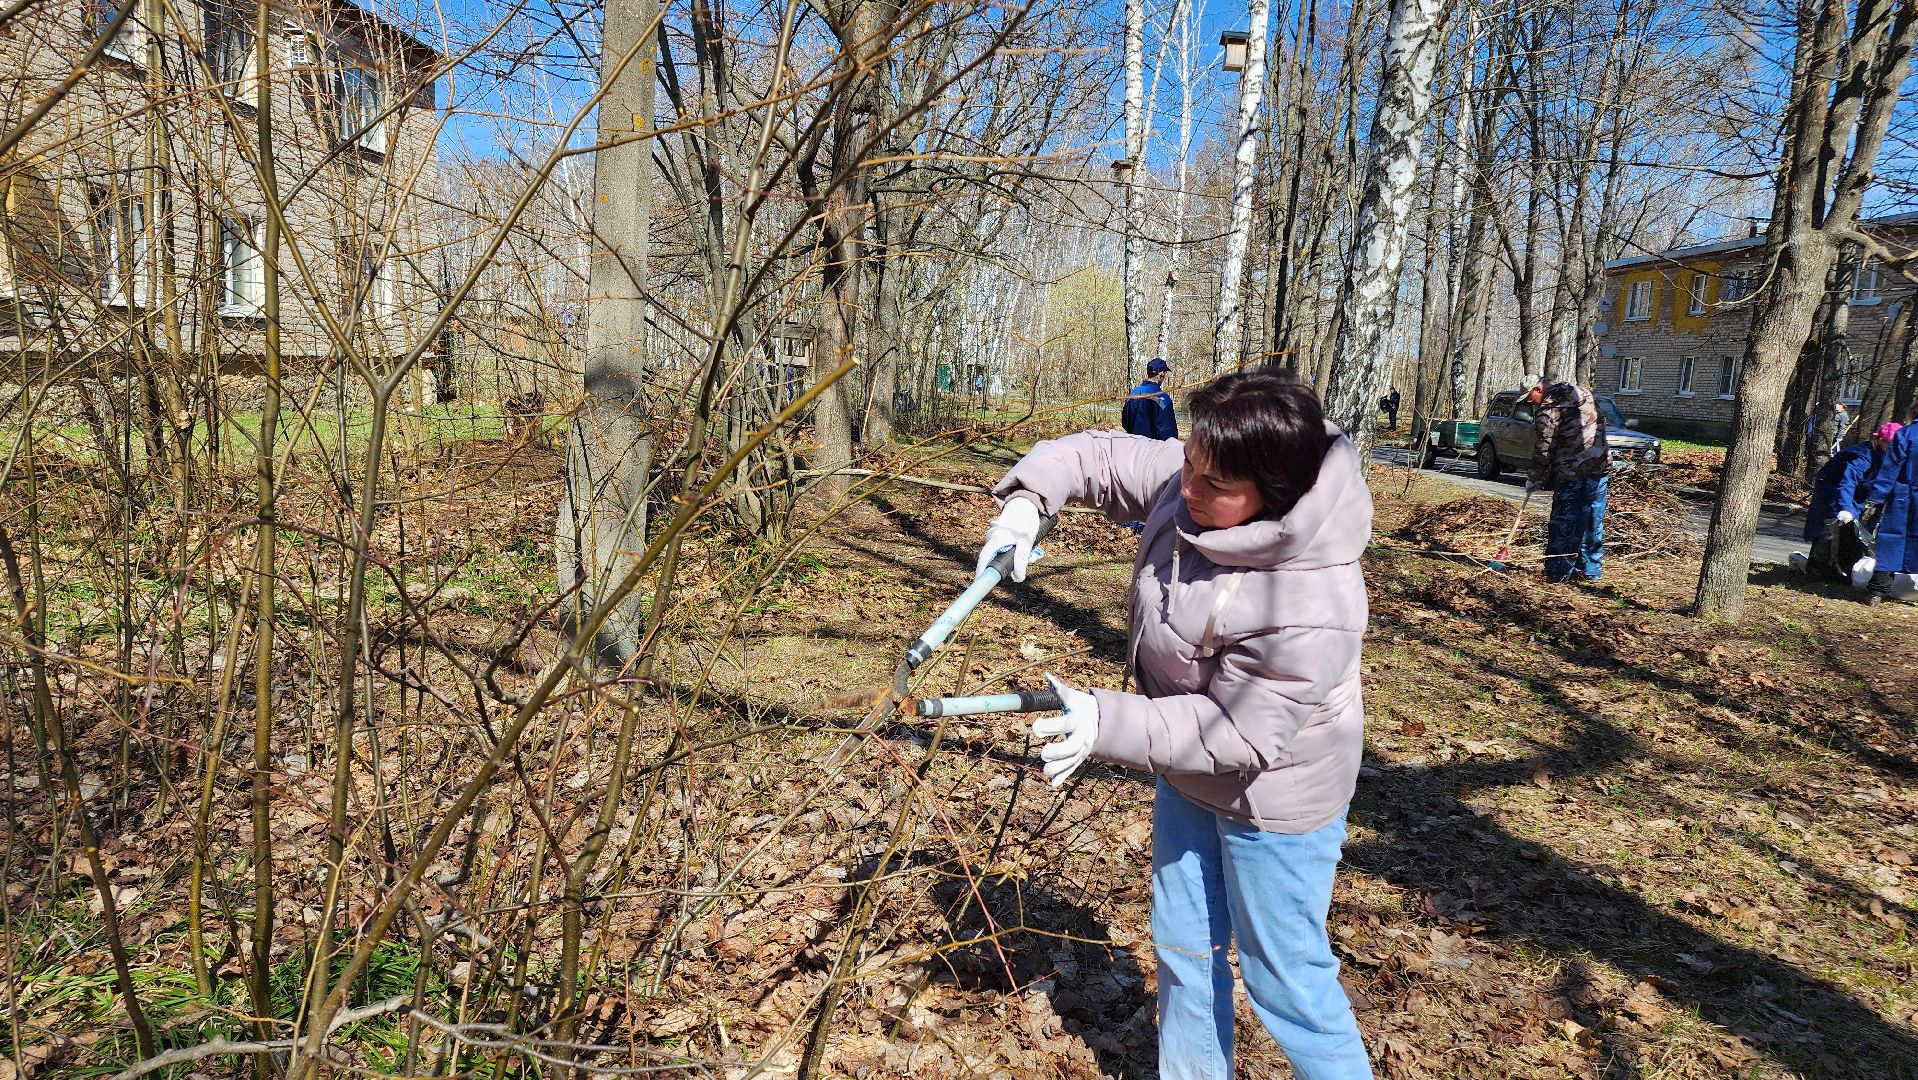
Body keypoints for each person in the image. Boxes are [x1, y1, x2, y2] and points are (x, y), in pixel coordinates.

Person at [975, 369, 1373, 1080]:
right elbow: (1094, 456)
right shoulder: (1199, 473)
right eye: (1190, 462)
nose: (1186, 487)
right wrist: (1028, 503)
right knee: (1185, 950)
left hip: (1274, 801)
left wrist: (1107, 719)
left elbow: (1239, 733)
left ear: (1273, 496)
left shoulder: (1312, 595)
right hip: (1188, 776)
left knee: (1286, 981)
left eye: (1215, 485)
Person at [1526, 379, 1610, 583]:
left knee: (1564, 521)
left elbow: (1545, 446)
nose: (1532, 403)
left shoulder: (1550, 406)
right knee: (1592, 520)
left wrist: (1534, 477)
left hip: (1571, 471)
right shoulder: (1585, 394)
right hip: (1599, 467)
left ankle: (1558, 571)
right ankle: (1590, 570)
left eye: (1531, 398)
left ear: (1539, 389)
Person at [1802, 422, 1899, 581]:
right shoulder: (1862, 456)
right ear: (1879, 441)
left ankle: (1845, 566)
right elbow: (1848, 482)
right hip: (1831, 485)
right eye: (1890, 445)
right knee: (1831, 522)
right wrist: (1846, 508)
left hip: (1858, 488)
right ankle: (1817, 568)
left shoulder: (1886, 456)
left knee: (1855, 527)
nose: (1894, 450)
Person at [1864, 419, 1918, 605]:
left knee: (1892, 541)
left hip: (1903, 496)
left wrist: (1876, 498)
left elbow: (1890, 470)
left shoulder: (1906, 434)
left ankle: (1877, 592)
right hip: (1907, 493)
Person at [1122, 357, 1179, 441]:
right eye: (1165, 373)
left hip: (1134, 449)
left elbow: (1125, 423)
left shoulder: (1132, 395)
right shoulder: (1163, 399)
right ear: (1161, 374)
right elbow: (1168, 433)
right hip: (1154, 451)